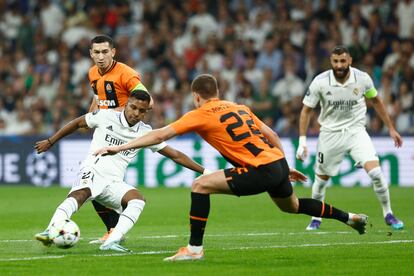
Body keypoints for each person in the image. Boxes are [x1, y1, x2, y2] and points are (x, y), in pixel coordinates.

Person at [94, 74, 369, 261]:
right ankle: (350, 217)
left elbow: (160, 135)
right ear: (217, 93)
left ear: (196, 96)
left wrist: (119, 147)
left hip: (259, 169)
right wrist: (283, 166)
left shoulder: (200, 113)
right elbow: (271, 134)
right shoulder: (239, 107)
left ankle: (194, 249)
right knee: (292, 206)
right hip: (274, 162)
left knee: (200, 185)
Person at [34, 90, 208, 252]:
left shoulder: (145, 133)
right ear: (126, 104)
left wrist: (204, 171)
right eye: (133, 107)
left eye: (141, 110)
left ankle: (112, 241)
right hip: (93, 169)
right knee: (80, 194)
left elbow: (176, 155)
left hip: (114, 182)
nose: (136, 113)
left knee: (138, 200)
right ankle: (51, 230)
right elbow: (77, 123)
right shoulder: (106, 116)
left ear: (146, 112)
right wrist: (51, 141)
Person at [295, 45, 404, 231]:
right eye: (335, 61)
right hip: (330, 134)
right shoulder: (320, 82)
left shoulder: (362, 79)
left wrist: (391, 129)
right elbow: (306, 111)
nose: (339, 65)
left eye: (343, 61)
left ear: (350, 61)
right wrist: (302, 141)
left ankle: (388, 213)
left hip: (356, 132)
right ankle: (316, 217)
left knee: (376, 174)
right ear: (331, 61)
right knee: (321, 180)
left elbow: (376, 100)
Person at [88, 34, 154, 244]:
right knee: (91, 180)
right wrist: (93, 116)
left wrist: (116, 112)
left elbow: (149, 102)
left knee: (95, 181)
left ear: (113, 52)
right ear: (91, 54)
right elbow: (98, 98)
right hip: (108, 131)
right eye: (96, 52)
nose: (100, 56)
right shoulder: (92, 73)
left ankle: (117, 228)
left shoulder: (126, 73)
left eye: (105, 52)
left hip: (126, 131)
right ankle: (114, 230)